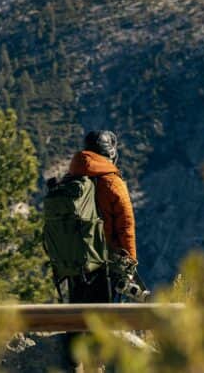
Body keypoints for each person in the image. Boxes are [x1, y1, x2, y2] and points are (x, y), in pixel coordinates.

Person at [66, 130, 137, 303]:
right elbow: (125, 226)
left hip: (74, 262)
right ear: (111, 153)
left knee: (77, 316)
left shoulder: (70, 180)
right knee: (102, 319)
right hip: (104, 262)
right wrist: (130, 264)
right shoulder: (112, 182)